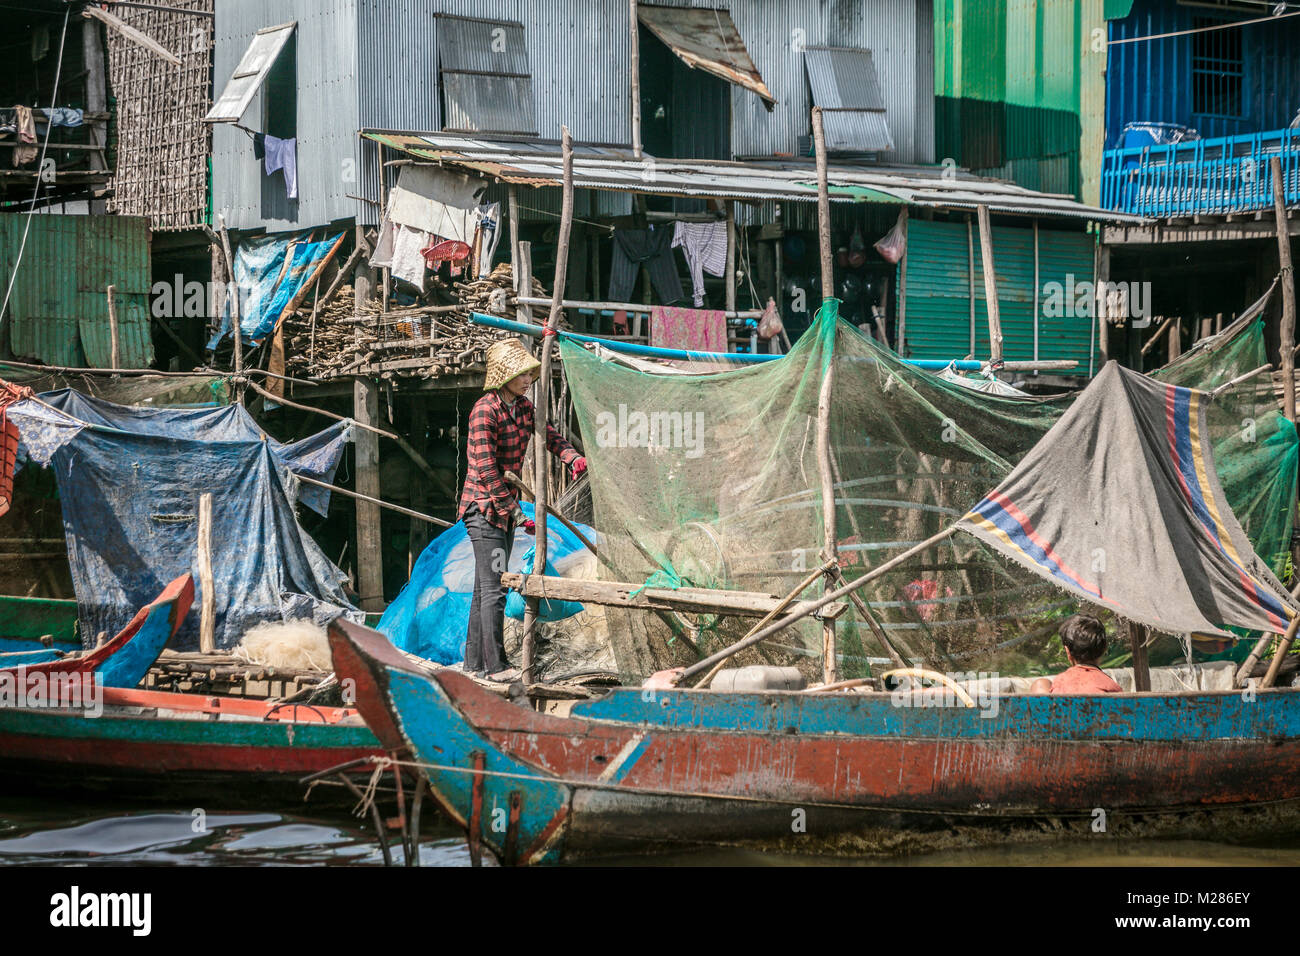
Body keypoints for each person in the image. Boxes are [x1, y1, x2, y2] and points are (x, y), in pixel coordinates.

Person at [458, 338, 586, 682]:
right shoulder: (485, 410)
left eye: (529, 373)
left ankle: (473, 664)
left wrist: (571, 457)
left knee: (483, 588)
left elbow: (548, 435)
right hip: (484, 510)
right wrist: (516, 514)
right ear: (504, 376)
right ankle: (496, 667)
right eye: (521, 374)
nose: (527, 378)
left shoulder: (523, 408)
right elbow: (486, 471)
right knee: (495, 586)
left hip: (505, 510)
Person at [1029, 614, 1123, 695]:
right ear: (1104, 648)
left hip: (1063, 714)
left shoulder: (1059, 683)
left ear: (1068, 652)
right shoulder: (1111, 686)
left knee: (1041, 684)